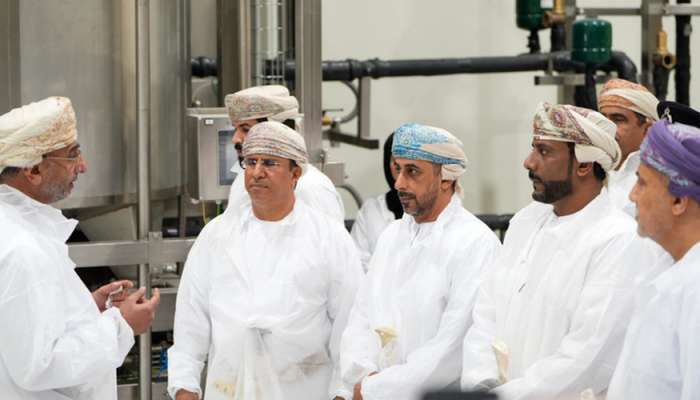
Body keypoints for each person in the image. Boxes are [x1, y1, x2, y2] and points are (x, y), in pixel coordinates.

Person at [461, 102, 665, 400]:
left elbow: (587, 355)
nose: (529, 162)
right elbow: (485, 316)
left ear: (584, 165)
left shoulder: (617, 239)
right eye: (533, 149)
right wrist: (480, 386)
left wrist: (505, 397)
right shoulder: (525, 222)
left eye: (544, 152)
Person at [168, 121, 363, 400]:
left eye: (270, 163)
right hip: (228, 389)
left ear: (295, 173)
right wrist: (184, 388)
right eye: (251, 162)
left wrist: (343, 392)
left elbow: (351, 327)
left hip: (304, 390)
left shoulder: (328, 238)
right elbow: (190, 322)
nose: (257, 173)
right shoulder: (217, 235)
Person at [0, 96, 160, 399]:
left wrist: (87, 308)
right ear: (33, 170)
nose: (83, 166)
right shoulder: (23, 249)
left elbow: (22, 324)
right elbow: (39, 365)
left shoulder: (16, 229)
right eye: (72, 156)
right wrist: (120, 326)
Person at [335, 123, 501, 400]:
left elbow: (451, 348)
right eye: (398, 169)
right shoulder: (392, 236)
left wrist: (380, 388)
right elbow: (361, 317)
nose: (399, 183)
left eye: (412, 171)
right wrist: (360, 376)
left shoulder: (474, 243)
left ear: (446, 178)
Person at [607, 109, 700, 400]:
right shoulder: (666, 270)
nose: (632, 195)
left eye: (642, 183)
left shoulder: (695, 290)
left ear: (678, 200)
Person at [224, 85, 345, 222]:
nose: (235, 139)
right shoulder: (243, 180)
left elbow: (328, 234)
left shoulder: (311, 187)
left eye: (245, 129)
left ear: (279, 131)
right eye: (235, 129)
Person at [598, 78, 659, 215]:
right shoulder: (586, 171)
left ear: (647, 130)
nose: (606, 128)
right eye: (602, 119)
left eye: (618, 119)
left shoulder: (660, 180)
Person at [350, 133, 403, 271]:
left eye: (411, 167)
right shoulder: (371, 210)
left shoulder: (433, 211)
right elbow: (357, 263)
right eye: (397, 165)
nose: (403, 173)